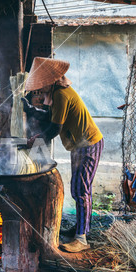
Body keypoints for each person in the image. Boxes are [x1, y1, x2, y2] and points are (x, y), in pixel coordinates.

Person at [24, 57, 104, 253]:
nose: (40, 90)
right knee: (79, 187)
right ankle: (80, 229)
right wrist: (30, 110)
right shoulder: (57, 93)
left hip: (88, 143)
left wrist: (35, 139)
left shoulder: (61, 95)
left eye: (41, 85)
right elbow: (50, 117)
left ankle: (82, 239)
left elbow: (54, 128)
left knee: (80, 189)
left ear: (49, 81)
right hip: (80, 144)